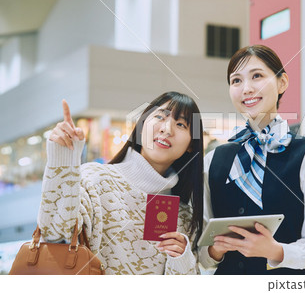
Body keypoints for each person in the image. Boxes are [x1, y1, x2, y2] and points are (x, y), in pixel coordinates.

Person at [199, 45, 305, 275]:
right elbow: (202, 255)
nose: (247, 89)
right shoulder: (213, 160)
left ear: (282, 83)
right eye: (236, 81)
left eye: (257, 76)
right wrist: (214, 252)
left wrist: (276, 251)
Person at [38, 91, 204, 275]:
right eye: (159, 116)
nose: (167, 129)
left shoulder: (185, 217)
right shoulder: (95, 179)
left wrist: (181, 259)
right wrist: (64, 161)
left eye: (181, 124)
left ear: (191, 144)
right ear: (141, 126)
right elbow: (54, 233)